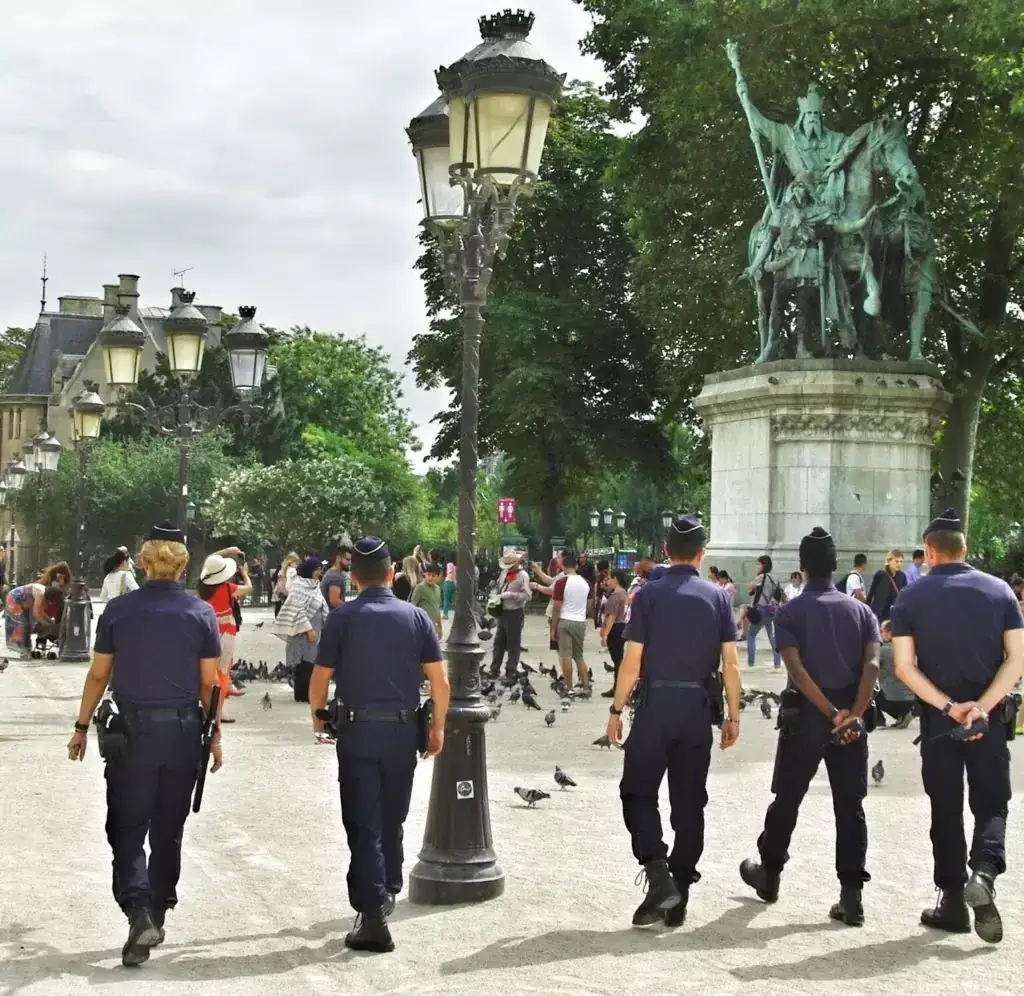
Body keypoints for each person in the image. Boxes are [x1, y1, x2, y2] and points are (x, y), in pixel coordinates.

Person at [66, 521, 223, 967]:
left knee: (127, 827)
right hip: (183, 731)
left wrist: (80, 726)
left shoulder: (119, 610)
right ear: (182, 566)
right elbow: (210, 683)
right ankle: (156, 909)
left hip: (133, 734)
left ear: (146, 561)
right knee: (169, 829)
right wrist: (214, 737)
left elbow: (99, 673)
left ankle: (138, 910)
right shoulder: (201, 613)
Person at [309, 537, 450, 953]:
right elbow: (440, 682)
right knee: (393, 816)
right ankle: (387, 887)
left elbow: (319, 680)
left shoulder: (343, 618)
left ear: (354, 578)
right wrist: (437, 727)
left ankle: (372, 914)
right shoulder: (415, 618)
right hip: (403, 733)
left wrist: (319, 718)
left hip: (356, 732)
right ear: (392, 574)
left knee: (362, 822)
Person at [891, 508, 1024, 945]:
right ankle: (984, 873)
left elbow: (905, 667)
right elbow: (1017, 659)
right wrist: (982, 706)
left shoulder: (911, 597)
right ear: (964, 549)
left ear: (929, 552)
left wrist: (950, 707)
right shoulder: (1000, 591)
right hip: (988, 719)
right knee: (991, 805)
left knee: (944, 809)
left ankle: (950, 900)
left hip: (938, 722)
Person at [739, 527, 880, 926]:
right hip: (850, 717)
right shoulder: (862, 612)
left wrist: (830, 710)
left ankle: (770, 872)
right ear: (835, 565)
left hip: (807, 715)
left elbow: (796, 671)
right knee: (849, 806)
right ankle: (851, 896)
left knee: (787, 798)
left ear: (802, 566)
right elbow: (871, 665)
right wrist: (852, 712)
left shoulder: (791, 612)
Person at [608, 513, 741, 928]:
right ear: (702, 554)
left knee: (638, 792)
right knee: (690, 804)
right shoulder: (718, 598)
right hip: (697, 709)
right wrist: (733, 715)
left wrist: (615, 709)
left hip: (655, 706)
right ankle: (679, 891)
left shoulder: (647, 596)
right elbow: (732, 664)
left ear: (666, 551)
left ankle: (658, 873)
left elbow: (631, 662)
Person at [197, 547, 251, 723]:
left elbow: (211, 559)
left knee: (207, 672)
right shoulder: (228, 587)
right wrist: (245, 573)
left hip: (208, 631)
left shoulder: (203, 586)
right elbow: (248, 588)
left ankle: (207, 706)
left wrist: (227, 551)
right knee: (222, 672)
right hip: (225, 634)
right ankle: (218, 711)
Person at [274, 555, 330, 709]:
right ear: (309, 570)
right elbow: (297, 610)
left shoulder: (314, 585)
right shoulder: (299, 586)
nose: (320, 572)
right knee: (305, 663)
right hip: (304, 630)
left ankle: (306, 693)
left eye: (320, 569)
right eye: (317, 569)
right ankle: (303, 694)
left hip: (316, 627)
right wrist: (309, 629)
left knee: (311, 661)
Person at [487, 552, 532, 680]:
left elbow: (528, 596)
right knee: (498, 643)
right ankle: (494, 669)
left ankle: (510, 670)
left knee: (513, 644)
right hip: (502, 611)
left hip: (515, 612)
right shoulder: (503, 573)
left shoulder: (523, 576)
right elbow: (497, 586)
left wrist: (512, 595)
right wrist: (495, 593)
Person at [551, 552, 591, 692]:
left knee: (565, 655)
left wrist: (553, 628)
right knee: (579, 656)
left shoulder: (562, 582)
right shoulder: (585, 583)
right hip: (580, 621)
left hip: (565, 620)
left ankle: (569, 687)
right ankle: (586, 687)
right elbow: (590, 604)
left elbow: (556, 607)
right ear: (576, 566)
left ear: (563, 566)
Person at [4, 581, 65, 656]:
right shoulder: (40, 594)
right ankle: (24, 649)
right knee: (24, 625)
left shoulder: (45, 594)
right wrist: (47, 625)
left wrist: (50, 623)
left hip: (25, 604)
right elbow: (36, 614)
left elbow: (42, 613)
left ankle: (27, 648)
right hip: (14, 600)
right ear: (51, 599)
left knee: (29, 625)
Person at [874, 621, 914, 729]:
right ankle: (902, 714)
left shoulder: (883, 649)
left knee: (869, 688)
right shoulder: (909, 648)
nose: (880, 634)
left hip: (893, 696)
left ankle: (878, 719)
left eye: (882, 631)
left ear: (890, 633)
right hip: (911, 697)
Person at [746, 555, 782, 668]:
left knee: (751, 636)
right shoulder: (774, 578)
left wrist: (751, 586)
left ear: (764, 565)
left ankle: (751, 663)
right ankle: (777, 663)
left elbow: (750, 587)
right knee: (772, 636)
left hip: (760, 609)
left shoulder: (760, 577)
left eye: (758, 564)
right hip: (771, 610)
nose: (757, 566)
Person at [600, 568, 628, 697]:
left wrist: (605, 634)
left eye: (610, 578)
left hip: (616, 628)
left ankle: (617, 688)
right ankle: (618, 687)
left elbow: (612, 616)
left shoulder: (616, 595)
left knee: (618, 661)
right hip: (622, 627)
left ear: (616, 579)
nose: (608, 581)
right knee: (618, 660)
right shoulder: (623, 593)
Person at [866, 549, 907, 621]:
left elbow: (904, 595)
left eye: (901, 562)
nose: (899, 564)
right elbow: (871, 594)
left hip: (893, 614)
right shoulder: (880, 575)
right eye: (896, 561)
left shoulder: (902, 576)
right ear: (889, 561)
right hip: (879, 613)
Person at [411, 563, 444, 639]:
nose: (430, 578)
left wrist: (439, 626)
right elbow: (412, 607)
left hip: (432, 625)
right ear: (424, 574)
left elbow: (437, 608)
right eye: (428, 575)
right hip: (421, 625)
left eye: (433, 575)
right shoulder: (420, 587)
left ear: (438, 577)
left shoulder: (438, 589)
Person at [271, 552, 299, 618]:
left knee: (279, 605)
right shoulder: (291, 570)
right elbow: (274, 578)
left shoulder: (283, 567)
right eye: (296, 562)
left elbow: (273, 579)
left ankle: (278, 619)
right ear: (291, 561)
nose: (297, 564)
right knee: (283, 605)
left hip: (281, 589)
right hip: (285, 590)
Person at [441, 554, 457, 620]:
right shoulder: (457, 566)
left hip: (449, 582)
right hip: (454, 584)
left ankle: (445, 614)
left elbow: (450, 574)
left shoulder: (449, 564)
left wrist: (454, 582)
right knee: (453, 600)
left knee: (446, 599)